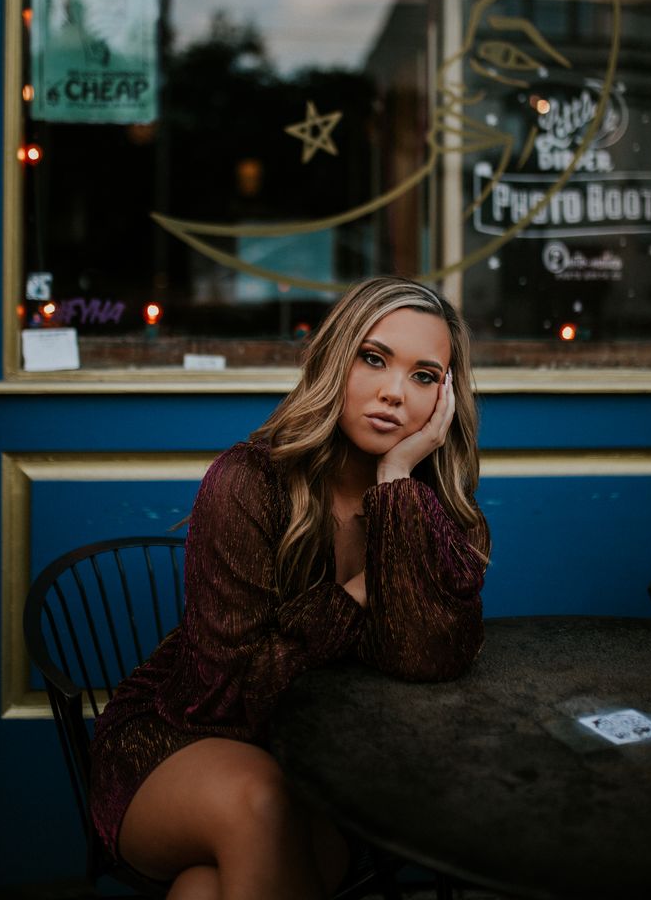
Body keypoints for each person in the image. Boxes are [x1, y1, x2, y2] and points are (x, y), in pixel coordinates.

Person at [90, 276, 490, 900]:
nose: (393, 392)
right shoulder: (248, 482)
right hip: (181, 741)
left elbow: (428, 657)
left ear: (445, 400)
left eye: (424, 375)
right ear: (336, 358)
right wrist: (360, 592)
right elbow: (237, 692)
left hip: (310, 766)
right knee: (263, 806)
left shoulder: (426, 502)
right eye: (374, 358)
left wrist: (394, 481)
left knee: (206, 890)